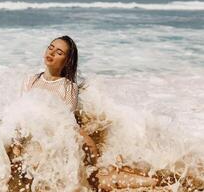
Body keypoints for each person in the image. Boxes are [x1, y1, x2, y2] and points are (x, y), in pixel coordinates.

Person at [9, 35, 159, 191]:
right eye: (50, 47)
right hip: (31, 139)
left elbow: (65, 122)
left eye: (59, 52)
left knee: (96, 182)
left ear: (67, 61)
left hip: (55, 143)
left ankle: (150, 182)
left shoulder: (68, 86)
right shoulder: (30, 80)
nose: (52, 53)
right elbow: (19, 114)